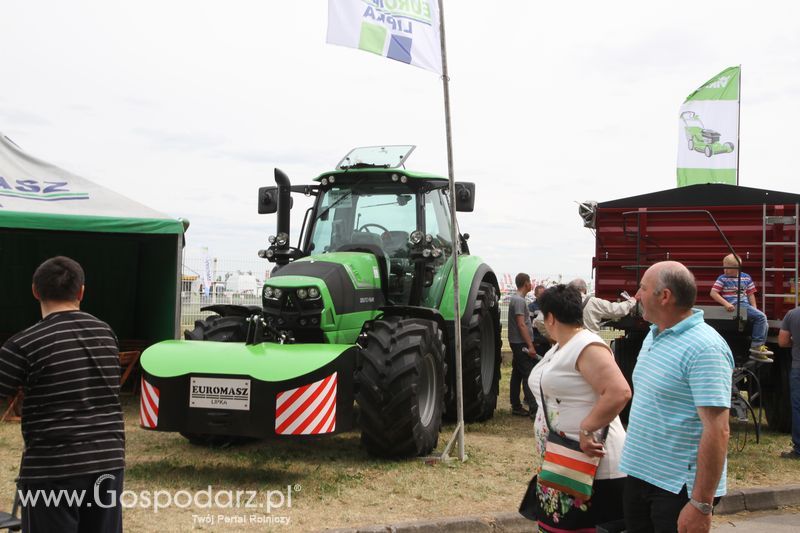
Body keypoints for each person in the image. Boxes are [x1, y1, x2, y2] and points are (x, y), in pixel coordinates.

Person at [0, 256, 125, 532]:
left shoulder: (23, 344)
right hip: (108, 460)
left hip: (51, 468)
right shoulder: (105, 333)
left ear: (35, 290)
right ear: (81, 291)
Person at [621, 261, 733, 533]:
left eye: (643, 288)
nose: (636, 295)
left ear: (665, 296)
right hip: (640, 476)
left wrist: (701, 504)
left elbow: (718, 430)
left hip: (676, 488)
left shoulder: (705, 347)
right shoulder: (654, 335)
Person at [527, 284, 631, 530]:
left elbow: (619, 391)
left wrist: (587, 429)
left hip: (591, 467)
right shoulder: (561, 346)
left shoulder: (587, 345)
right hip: (563, 462)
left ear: (551, 317)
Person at [710, 253, 774, 362]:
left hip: (746, 306)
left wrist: (754, 308)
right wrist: (726, 304)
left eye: (728, 268)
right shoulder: (723, 278)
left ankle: (757, 351)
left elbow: (750, 294)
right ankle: (756, 346)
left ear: (737, 268)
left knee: (764, 323)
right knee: (762, 318)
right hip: (736, 305)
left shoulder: (746, 277)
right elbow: (713, 293)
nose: (725, 270)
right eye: (724, 267)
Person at [508, 273, 537, 417]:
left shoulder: (516, 299)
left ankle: (516, 405)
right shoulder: (519, 301)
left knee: (517, 374)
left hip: (516, 342)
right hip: (521, 343)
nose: (531, 284)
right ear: (526, 284)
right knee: (528, 374)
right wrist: (530, 345)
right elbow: (521, 324)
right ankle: (534, 409)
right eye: (530, 281)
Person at [568, 278, 638, 334]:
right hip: (589, 344)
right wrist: (630, 302)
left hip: (568, 345)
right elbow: (615, 310)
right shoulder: (593, 302)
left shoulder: (561, 302)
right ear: (585, 290)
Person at [778, 305, 800, 459]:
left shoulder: (792, 314)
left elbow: (783, 341)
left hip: (798, 368)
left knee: (798, 407)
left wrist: (795, 343)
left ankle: (799, 449)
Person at [528, 284, 550, 356]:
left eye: (544, 294)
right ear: (535, 295)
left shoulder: (549, 306)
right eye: (540, 294)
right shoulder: (532, 307)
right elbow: (530, 324)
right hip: (538, 340)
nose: (542, 296)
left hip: (548, 340)